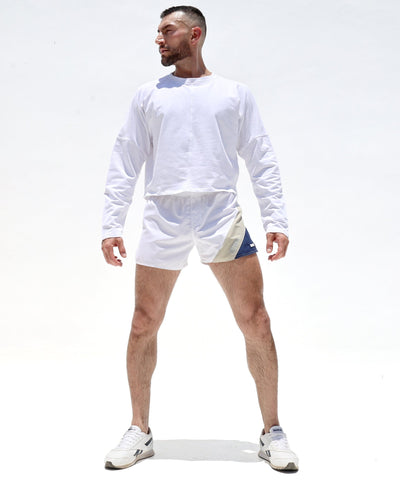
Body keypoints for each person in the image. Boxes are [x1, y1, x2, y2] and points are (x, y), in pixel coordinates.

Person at [101, 5, 299, 472]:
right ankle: (140, 430)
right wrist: (112, 224)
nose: (158, 38)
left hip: (219, 214)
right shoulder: (149, 95)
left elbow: (261, 155)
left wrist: (276, 218)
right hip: (163, 214)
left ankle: (272, 431)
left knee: (256, 321)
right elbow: (126, 158)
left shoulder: (233, 93)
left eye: (167, 30)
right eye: (157, 31)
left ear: (195, 35)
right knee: (142, 323)